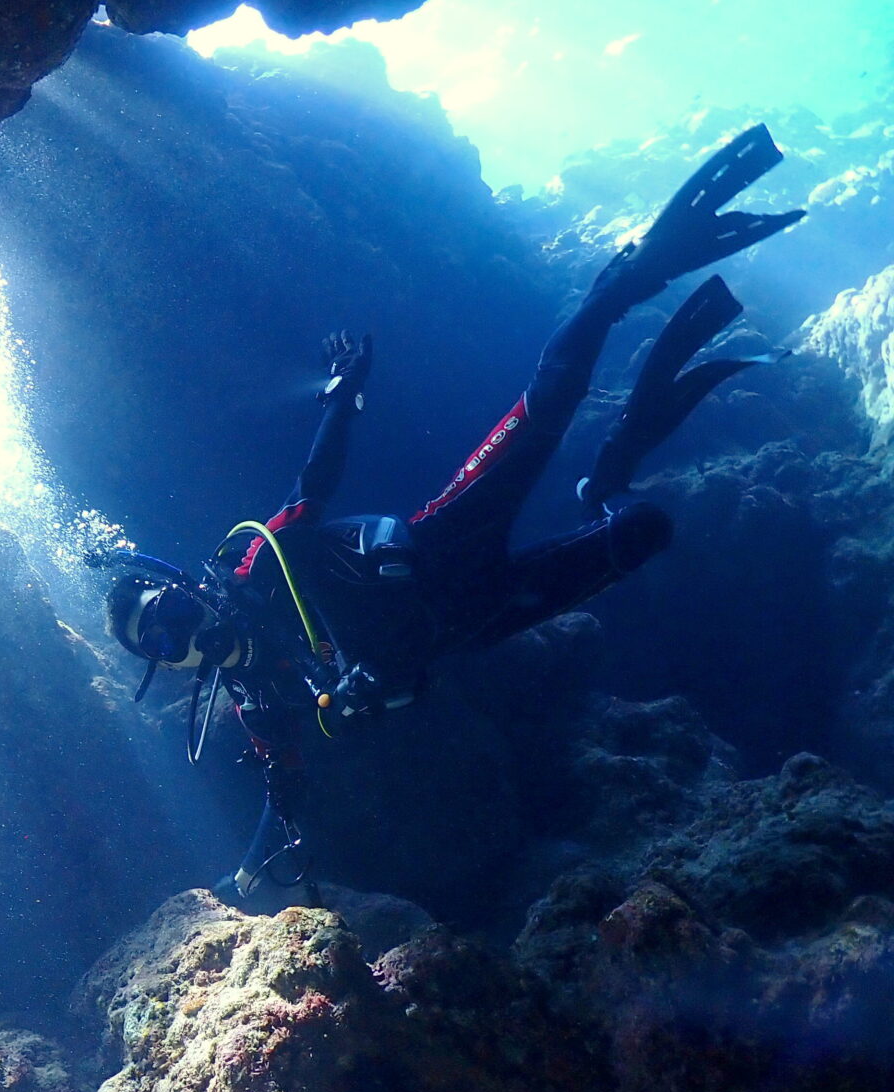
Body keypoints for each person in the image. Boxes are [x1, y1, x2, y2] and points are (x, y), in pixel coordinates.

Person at [94, 124, 804, 903]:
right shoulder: (259, 701)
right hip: (476, 619)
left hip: (441, 538)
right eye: (161, 646)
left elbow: (314, 483)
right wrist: (256, 865)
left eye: (167, 615)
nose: (182, 636)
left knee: (554, 397)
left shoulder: (254, 563)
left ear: (183, 589)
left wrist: (344, 391)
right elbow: (286, 787)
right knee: (646, 532)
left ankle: (633, 274)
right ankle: (603, 487)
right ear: (170, 669)